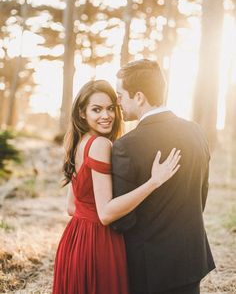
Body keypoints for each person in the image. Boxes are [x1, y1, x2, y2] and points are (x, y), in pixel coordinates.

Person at [52, 79, 181, 294]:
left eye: (110, 108)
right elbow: (105, 214)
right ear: (82, 113)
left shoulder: (80, 141)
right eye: (97, 109)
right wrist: (153, 182)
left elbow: (72, 208)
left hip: (74, 240)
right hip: (98, 243)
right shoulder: (100, 144)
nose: (106, 115)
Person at [111, 59, 216, 294]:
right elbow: (201, 194)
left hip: (150, 267)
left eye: (120, 95)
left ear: (139, 97)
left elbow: (122, 220)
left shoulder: (126, 146)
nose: (118, 102)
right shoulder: (196, 132)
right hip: (191, 257)